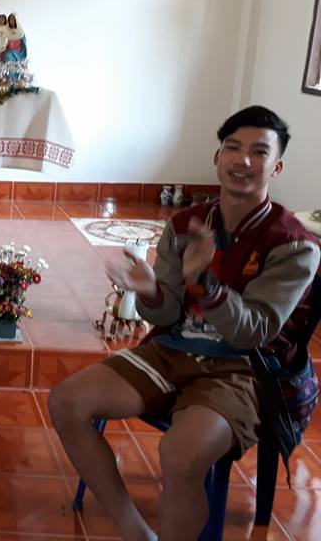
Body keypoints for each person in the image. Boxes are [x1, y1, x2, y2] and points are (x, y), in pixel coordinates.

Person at [48, 105, 320, 541]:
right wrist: (151, 292)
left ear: (277, 166)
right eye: (232, 148)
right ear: (217, 157)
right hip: (172, 351)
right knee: (67, 402)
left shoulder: (294, 244)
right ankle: (135, 530)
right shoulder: (184, 226)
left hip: (245, 369)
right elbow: (166, 315)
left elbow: (251, 333)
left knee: (179, 454)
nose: (242, 160)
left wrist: (205, 282)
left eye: (258, 152)